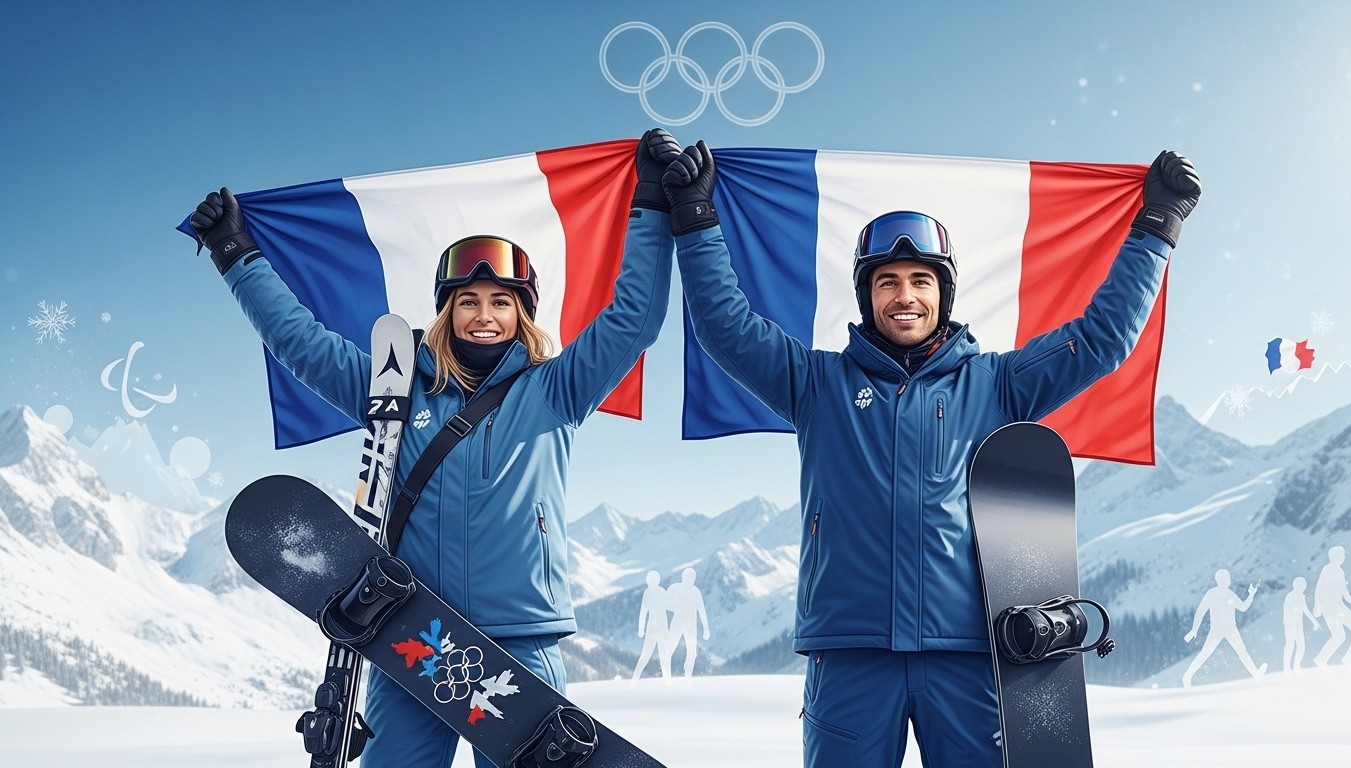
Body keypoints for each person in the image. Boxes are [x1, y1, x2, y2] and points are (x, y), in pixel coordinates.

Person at [662, 141, 1199, 767]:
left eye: (921, 281)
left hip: (972, 652)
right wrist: (695, 219)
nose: (904, 296)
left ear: (943, 294)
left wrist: (1158, 227)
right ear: (866, 297)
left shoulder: (999, 384)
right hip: (851, 655)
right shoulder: (815, 384)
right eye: (886, 282)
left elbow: (1101, 338)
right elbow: (726, 327)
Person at [188, 129, 681, 768]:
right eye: (467, 301)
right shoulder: (393, 390)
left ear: (523, 314)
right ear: (445, 312)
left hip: (520, 645)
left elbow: (634, 319)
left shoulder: (557, 388)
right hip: (415, 636)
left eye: (501, 302)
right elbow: (300, 343)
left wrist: (651, 203)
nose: (484, 314)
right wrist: (237, 255)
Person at [1182, 568, 1266, 687]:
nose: (1227, 581)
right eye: (1226, 578)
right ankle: (1187, 676)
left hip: (1227, 629)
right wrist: (1194, 629)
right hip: (1223, 629)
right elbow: (1201, 611)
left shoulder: (1222, 593)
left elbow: (1242, 607)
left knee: (1237, 652)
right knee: (1239, 652)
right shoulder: (1217, 593)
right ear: (1222, 580)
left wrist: (1251, 594)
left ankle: (1256, 674)